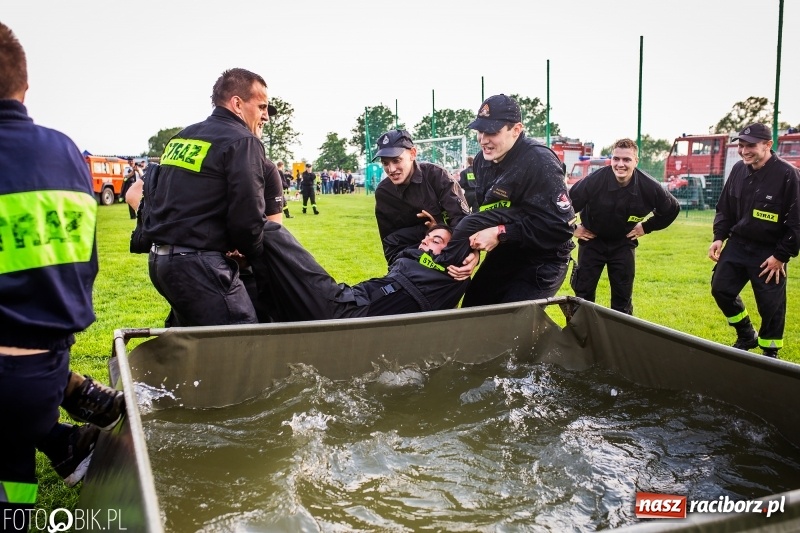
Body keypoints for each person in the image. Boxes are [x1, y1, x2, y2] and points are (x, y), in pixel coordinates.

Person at [0, 22, 123, 531]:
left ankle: (63, 440)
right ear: (24, 88)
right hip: (49, 358)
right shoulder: (66, 150)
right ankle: (63, 435)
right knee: (12, 459)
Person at [143, 67, 284, 327]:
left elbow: (155, 198)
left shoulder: (182, 137)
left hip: (161, 262)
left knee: (194, 341)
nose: (266, 115)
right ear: (237, 103)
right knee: (241, 342)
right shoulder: (243, 141)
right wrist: (251, 255)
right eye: (262, 106)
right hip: (200, 265)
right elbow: (248, 215)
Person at [457, 94, 576, 307]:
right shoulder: (481, 162)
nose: (483, 140)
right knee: (472, 312)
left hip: (542, 260)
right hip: (505, 253)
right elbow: (485, 211)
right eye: (480, 131)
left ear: (516, 130)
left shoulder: (539, 161)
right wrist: (473, 250)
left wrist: (501, 232)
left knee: (512, 326)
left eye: (492, 132)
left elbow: (561, 227)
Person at [709, 122, 800, 358]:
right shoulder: (738, 170)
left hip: (770, 252)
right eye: (741, 145)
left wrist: (781, 256)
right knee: (721, 289)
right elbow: (725, 208)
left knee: (771, 306)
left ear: (768, 145)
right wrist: (719, 236)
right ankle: (746, 334)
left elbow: (797, 221)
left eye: (751, 145)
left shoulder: (788, 175)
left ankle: (770, 352)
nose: (744, 150)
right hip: (738, 245)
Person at [252, 223, 469, 321]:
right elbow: (392, 241)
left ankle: (235, 225)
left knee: (272, 232)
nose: (425, 241)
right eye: (426, 238)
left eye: (436, 240)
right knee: (264, 265)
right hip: (345, 301)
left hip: (343, 313)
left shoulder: (448, 278)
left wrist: (473, 252)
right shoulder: (409, 260)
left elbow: (470, 229)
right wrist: (425, 229)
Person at [568, 138, 680, 315]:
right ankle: (580, 338)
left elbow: (672, 209)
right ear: (611, 160)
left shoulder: (649, 187)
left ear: (636, 161)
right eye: (616, 159)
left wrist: (647, 227)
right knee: (583, 294)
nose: (620, 164)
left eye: (626, 159)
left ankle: (620, 340)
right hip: (592, 241)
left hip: (623, 244)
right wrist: (573, 229)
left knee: (623, 298)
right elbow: (564, 207)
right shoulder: (594, 181)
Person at [373, 129, 470, 265]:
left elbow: (463, 223)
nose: (391, 169)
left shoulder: (437, 176)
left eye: (396, 160)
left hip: (447, 258)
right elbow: (390, 244)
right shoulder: (384, 193)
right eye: (385, 163)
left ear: (413, 153)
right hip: (407, 263)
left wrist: (439, 229)